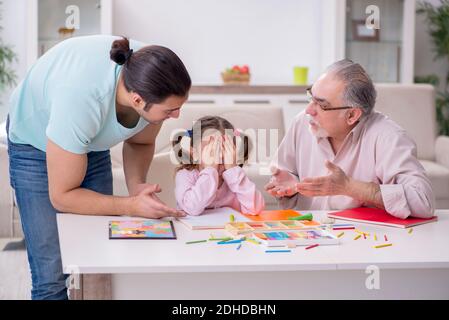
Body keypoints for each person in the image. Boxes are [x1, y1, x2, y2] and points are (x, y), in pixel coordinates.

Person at [7, 35, 191, 299]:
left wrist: (137, 187)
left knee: (97, 257)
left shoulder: (153, 74)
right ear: (138, 100)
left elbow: (140, 143)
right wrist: (129, 205)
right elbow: (62, 197)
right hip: (34, 141)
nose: (177, 116)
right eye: (171, 110)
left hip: (86, 137)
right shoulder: (82, 99)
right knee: (52, 273)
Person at [265, 59, 435, 219]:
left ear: (352, 115)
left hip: (364, 240)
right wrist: (289, 184)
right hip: (308, 232)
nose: (309, 110)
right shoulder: (302, 122)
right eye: (311, 97)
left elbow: (423, 201)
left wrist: (349, 187)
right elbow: (283, 173)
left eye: (322, 104)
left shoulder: (389, 137)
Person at [173, 116, 265, 216]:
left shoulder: (235, 177)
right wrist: (210, 170)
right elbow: (192, 208)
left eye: (225, 148)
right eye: (211, 150)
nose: (220, 155)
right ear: (194, 153)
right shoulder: (185, 175)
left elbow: (256, 208)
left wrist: (233, 170)